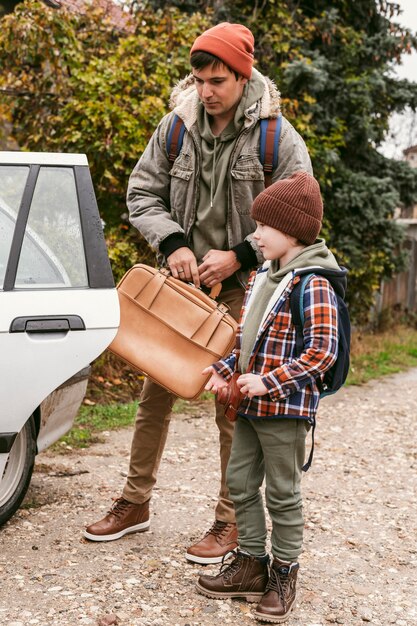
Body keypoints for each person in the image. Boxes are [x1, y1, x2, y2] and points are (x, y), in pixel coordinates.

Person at [84, 22, 312, 565]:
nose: (206, 91)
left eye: (217, 80)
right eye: (199, 79)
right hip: (179, 287)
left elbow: (299, 214)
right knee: (154, 395)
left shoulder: (277, 137)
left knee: (230, 405)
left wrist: (242, 253)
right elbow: (142, 193)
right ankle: (133, 504)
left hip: (241, 289)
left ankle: (228, 521)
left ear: (243, 74)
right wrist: (175, 243)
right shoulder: (175, 127)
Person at [196, 171, 345, 622]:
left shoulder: (313, 282)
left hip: (284, 409)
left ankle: (284, 572)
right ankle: (252, 564)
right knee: (240, 483)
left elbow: (322, 352)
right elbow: (246, 342)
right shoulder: (265, 274)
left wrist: (270, 381)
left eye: (264, 227)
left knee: (282, 492)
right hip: (250, 406)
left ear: (294, 232)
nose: (254, 235)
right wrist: (224, 371)